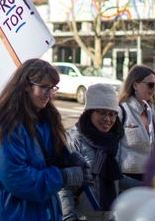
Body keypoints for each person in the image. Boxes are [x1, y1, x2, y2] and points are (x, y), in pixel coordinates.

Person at [0, 58, 87, 220]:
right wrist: (63, 176)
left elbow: (50, 154)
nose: (49, 94)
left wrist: (69, 159)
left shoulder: (45, 117)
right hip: (12, 214)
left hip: (42, 212)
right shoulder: (6, 125)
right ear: (26, 86)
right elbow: (17, 179)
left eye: (52, 88)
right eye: (44, 88)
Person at [59, 83, 126, 220]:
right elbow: (65, 188)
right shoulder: (74, 139)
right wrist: (69, 218)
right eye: (102, 113)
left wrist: (147, 185)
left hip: (109, 215)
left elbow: (115, 179)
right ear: (89, 113)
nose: (108, 119)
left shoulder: (112, 141)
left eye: (112, 114)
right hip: (83, 216)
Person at [118, 65, 155, 185]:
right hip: (127, 180)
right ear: (135, 85)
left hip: (154, 176)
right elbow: (113, 150)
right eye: (150, 84)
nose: (154, 89)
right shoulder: (122, 110)